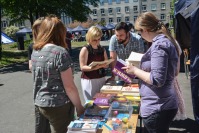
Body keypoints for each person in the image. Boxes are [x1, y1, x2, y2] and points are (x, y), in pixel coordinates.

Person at [122, 12, 180, 133]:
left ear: (146, 30)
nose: (141, 35)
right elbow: (172, 72)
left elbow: (157, 80)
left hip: (158, 107)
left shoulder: (159, 45)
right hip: (161, 104)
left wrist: (135, 70)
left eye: (140, 32)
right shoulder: (164, 41)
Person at [31, 15, 84, 133]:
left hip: (40, 103)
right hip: (58, 105)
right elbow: (69, 87)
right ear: (60, 33)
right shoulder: (60, 52)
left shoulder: (36, 50)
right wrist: (79, 107)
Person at [28, 17, 51, 133]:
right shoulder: (32, 47)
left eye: (41, 30)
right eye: (36, 31)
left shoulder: (51, 46)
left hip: (53, 89)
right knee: (41, 123)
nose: (38, 34)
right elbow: (31, 66)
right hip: (39, 88)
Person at [79, 26, 108, 101]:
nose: (97, 42)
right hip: (89, 79)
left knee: (102, 101)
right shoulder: (85, 49)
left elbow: (106, 63)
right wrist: (93, 67)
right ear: (89, 38)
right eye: (95, 40)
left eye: (99, 39)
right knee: (91, 103)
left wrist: (105, 65)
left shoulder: (102, 49)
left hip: (101, 77)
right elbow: (82, 67)